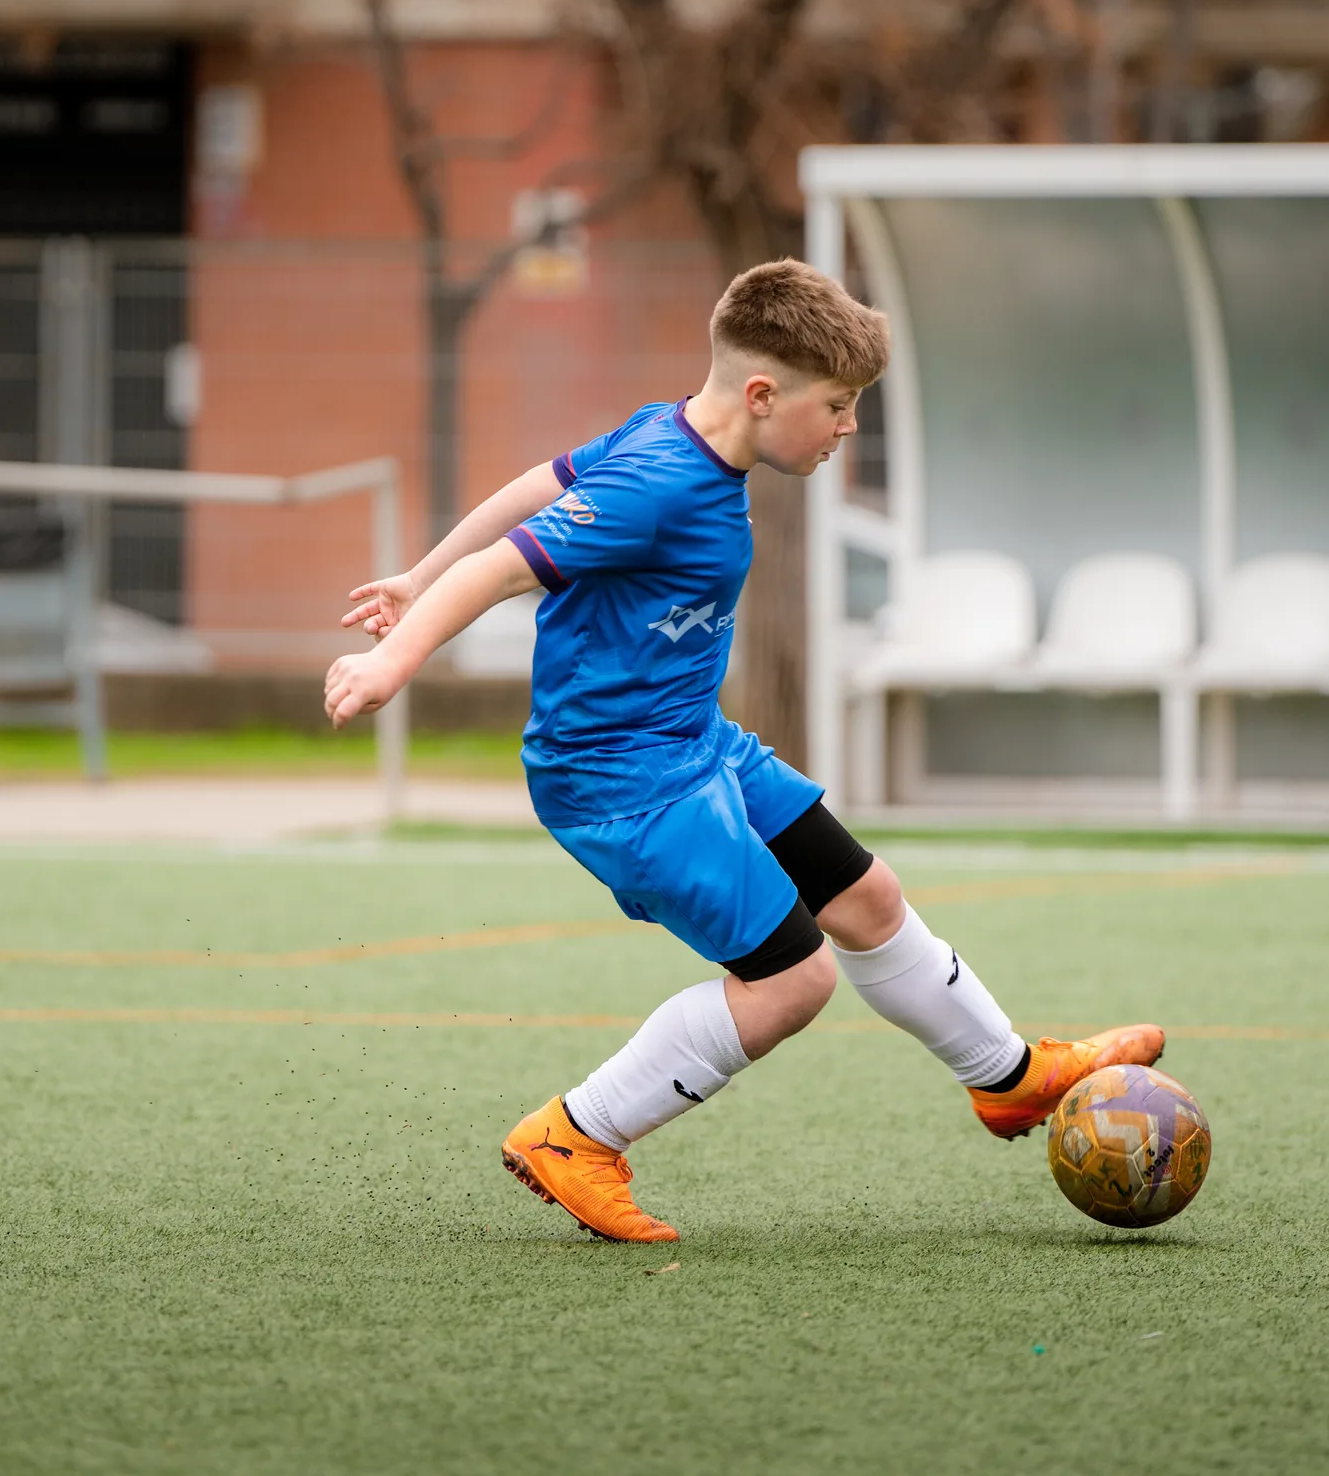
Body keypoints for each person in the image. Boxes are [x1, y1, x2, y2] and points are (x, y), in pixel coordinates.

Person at [323, 259, 1163, 1243]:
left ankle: (1010, 1081)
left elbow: (536, 483)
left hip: (694, 743)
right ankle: (576, 1135)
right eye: (839, 407)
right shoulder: (660, 482)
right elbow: (503, 569)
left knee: (868, 897)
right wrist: (399, 657)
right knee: (792, 981)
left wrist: (413, 573)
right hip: (622, 781)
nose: (848, 429)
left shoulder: (661, 431)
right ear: (763, 395)